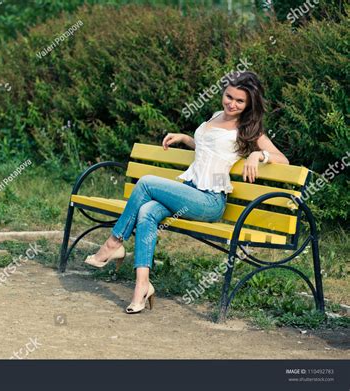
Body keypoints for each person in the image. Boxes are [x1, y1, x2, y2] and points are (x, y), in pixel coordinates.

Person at [84, 71, 289, 314]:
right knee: (147, 211)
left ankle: (113, 242)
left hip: (209, 201)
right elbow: (209, 149)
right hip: (189, 192)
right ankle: (142, 287)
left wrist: (257, 154)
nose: (232, 103)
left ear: (249, 104)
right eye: (228, 96)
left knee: (147, 182)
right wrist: (184, 138)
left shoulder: (249, 129)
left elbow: (283, 160)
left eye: (239, 101)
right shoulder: (215, 116)